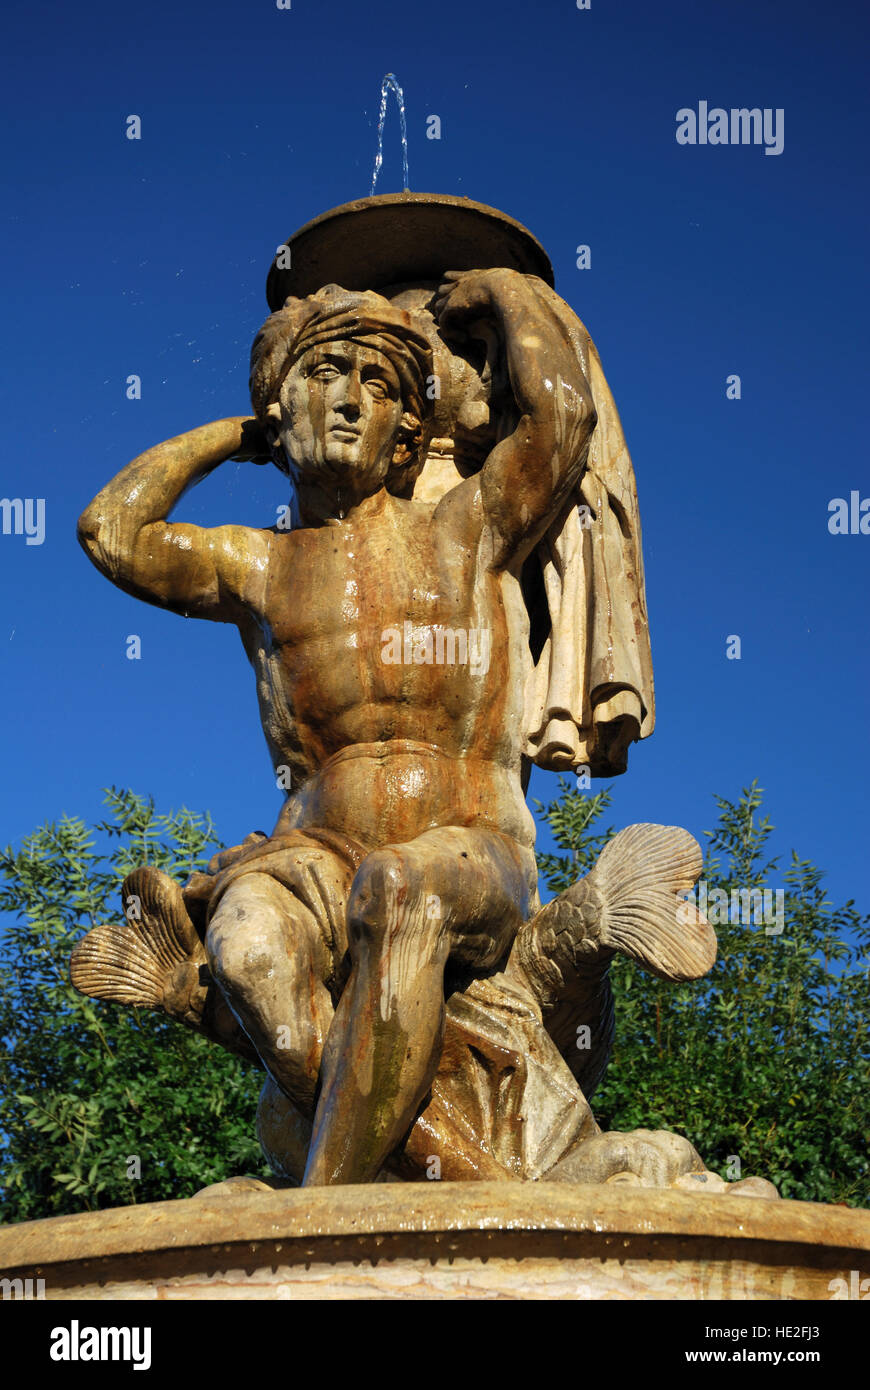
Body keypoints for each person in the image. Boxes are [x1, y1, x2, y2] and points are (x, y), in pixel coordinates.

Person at [76, 271, 599, 1185]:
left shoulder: (463, 532)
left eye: (380, 385)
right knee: (242, 945)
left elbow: (560, 425)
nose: (351, 401)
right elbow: (110, 532)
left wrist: (508, 293)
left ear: (408, 429)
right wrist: (243, 435)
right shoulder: (261, 565)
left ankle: (320, 1213)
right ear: (287, 405)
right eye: (325, 376)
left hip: (472, 846)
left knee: (399, 890)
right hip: (314, 848)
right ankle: (463, 1178)